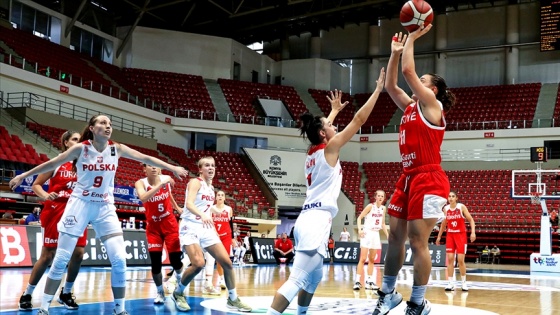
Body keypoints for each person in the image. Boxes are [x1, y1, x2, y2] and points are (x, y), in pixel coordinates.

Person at [9, 115, 188, 315]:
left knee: (120, 260)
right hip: (80, 205)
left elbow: (145, 158)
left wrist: (172, 168)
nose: (107, 126)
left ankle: (119, 309)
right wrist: (23, 175)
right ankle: (44, 308)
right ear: (92, 129)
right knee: (60, 259)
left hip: (104, 206)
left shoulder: (116, 148)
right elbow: (52, 163)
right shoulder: (81, 148)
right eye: (102, 123)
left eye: (110, 124)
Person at [266, 67, 386, 315]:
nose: (334, 126)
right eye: (330, 125)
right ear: (324, 134)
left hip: (309, 219)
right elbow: (359, 121)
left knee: (314, 278)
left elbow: (322, 129)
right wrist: (377, 91)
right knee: (297, 279)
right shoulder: (330, 150)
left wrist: (332, 111)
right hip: (316, 219)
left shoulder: (312, 151)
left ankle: (301, 313)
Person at [372, 26, 456, 315]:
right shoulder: (409, 106)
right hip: (407, 177)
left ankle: (417, 302)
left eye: (423, 81)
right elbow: (392, 85)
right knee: (395, 237)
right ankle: (387, 293)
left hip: (429, 178)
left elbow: (409, 72)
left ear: (432, 89)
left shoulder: (431, 105)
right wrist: (394, 54)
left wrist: (412, 39)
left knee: (419, 241)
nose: (416, 82)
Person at [171, 156, 252, 312]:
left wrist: (214, 230)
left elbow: (207, 211)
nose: (211, 168)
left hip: (205, 227)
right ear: (200, 169)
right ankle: (178, 292)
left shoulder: (211, 188)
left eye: (213, 165)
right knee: (199, 264)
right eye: (207, 165)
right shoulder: (195, 182)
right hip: (190, 226)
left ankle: (233, 299)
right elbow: (189, 204)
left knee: (227, 263)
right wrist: (202, 215)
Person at [19, 131, 86, 311]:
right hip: (56, 210)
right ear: (65, 143)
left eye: (81, 140)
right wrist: (47, 196)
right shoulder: (57, 162)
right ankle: (27, 293)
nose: (79, 143)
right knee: (48, 255)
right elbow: (36, 184)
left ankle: (66, 293)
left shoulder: (86, 164)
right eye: (75, 140)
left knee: (78, 254)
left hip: (78, 212)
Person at [134, 164, 185, 304]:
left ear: (160, 169)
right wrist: (160, 184)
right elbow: (143, 198)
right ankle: (160, 292)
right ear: (144, 169)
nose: (154, 168)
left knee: (175, 260)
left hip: (169, 223)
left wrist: (177, 207)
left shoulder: (166, 180)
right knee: (155, 264)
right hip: (153, 227)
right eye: (150, 165)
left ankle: (179, 281)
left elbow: (169, 195)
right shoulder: (141, 183)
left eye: (156, 166)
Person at [435, 191, 476, 291]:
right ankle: (450, 283)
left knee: (460, 260)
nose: (451, 198)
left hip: (461, 235)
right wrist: (439, 236)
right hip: (450, 235)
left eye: (453, 196)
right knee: (450, 259)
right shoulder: (446, 209)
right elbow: (444, 223)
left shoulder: (461, 207)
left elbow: (471, 220)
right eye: (449, 196)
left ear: (456, 198)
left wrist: (473, 232)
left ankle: (464, 283)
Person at [354, 190, 389, 291]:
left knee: (372, 259)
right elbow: (359, 218)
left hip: (375, 233)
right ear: (375, 197)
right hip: (367, 232)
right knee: (363, 258)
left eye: (382, 196)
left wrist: (387, 235)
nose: (380, 197)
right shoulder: (370, 206)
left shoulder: (383, 208)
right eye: (378, 196)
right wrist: (360, 230)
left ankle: (369, 281)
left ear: (384, 198)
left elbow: (382, 223)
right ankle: (357, 281)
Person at [204, 190, 233, 293]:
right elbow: (210, 222)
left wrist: (233, 238)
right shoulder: (211, 208)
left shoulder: (229, 209)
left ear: (225, 198)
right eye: (218, 195)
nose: (220, 196)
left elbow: (231, 223)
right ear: (215, 197)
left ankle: (222, 280)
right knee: (214, 260)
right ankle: (215, 280)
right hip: (214, 236)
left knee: (225, 259)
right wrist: (214, 231)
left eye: (222, 195)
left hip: (226, 236)